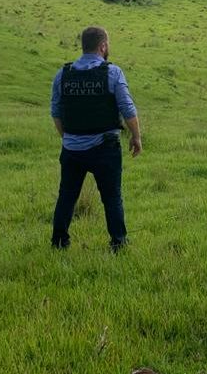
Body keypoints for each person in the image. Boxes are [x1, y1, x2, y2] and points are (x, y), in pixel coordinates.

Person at [50, 26, 141, 251]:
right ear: (103, 46)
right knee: (112, 198)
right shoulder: (113, 73)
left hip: (72, 148)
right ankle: (118, 243)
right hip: (104, 148)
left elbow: (56, 111)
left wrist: (68, 137)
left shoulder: (63, 74)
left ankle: (59, 242)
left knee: (67, 196)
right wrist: (136, 136)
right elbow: (128, 109)